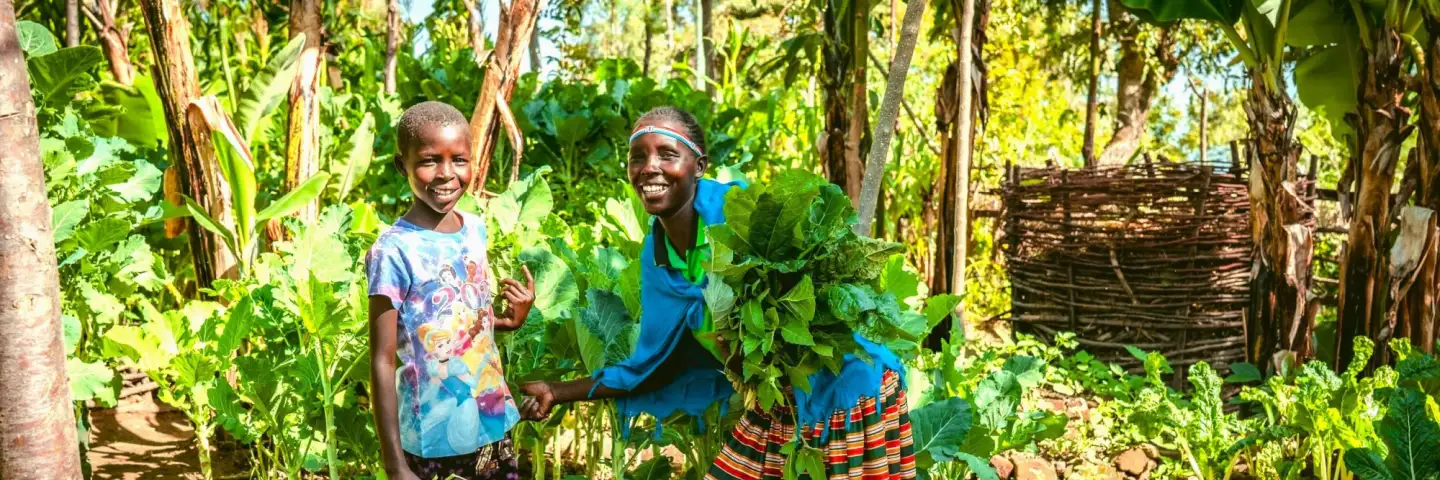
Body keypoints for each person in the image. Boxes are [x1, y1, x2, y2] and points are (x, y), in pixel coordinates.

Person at [519, 106, 917, 479]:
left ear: (699, 168)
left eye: (667, 154)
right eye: (637, 157)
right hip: (778, 407)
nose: (649, 168)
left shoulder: (743, 217)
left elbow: (819, 298)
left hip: (846, 395)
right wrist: (556, 390)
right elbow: (652, 365)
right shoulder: (658, 259)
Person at [367, 101, 537, 480]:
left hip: (492, 422)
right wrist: (395, 464)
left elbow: (462, 320)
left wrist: (508, 321)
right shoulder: (393, 250)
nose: (447, 174)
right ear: (402, 166)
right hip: (432, 437)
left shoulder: (474, 229)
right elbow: (382, 358)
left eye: (459, 160)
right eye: (429, 161)